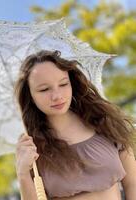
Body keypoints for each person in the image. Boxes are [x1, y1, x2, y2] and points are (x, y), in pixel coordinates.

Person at [14, 50, 136, 200]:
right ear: (30, 95)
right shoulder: (31, 146)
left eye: (63, 84)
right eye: (44, 89)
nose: (57, 96)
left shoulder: (105, 122)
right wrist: (22, 174)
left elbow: (133, 183)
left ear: (72, 82)